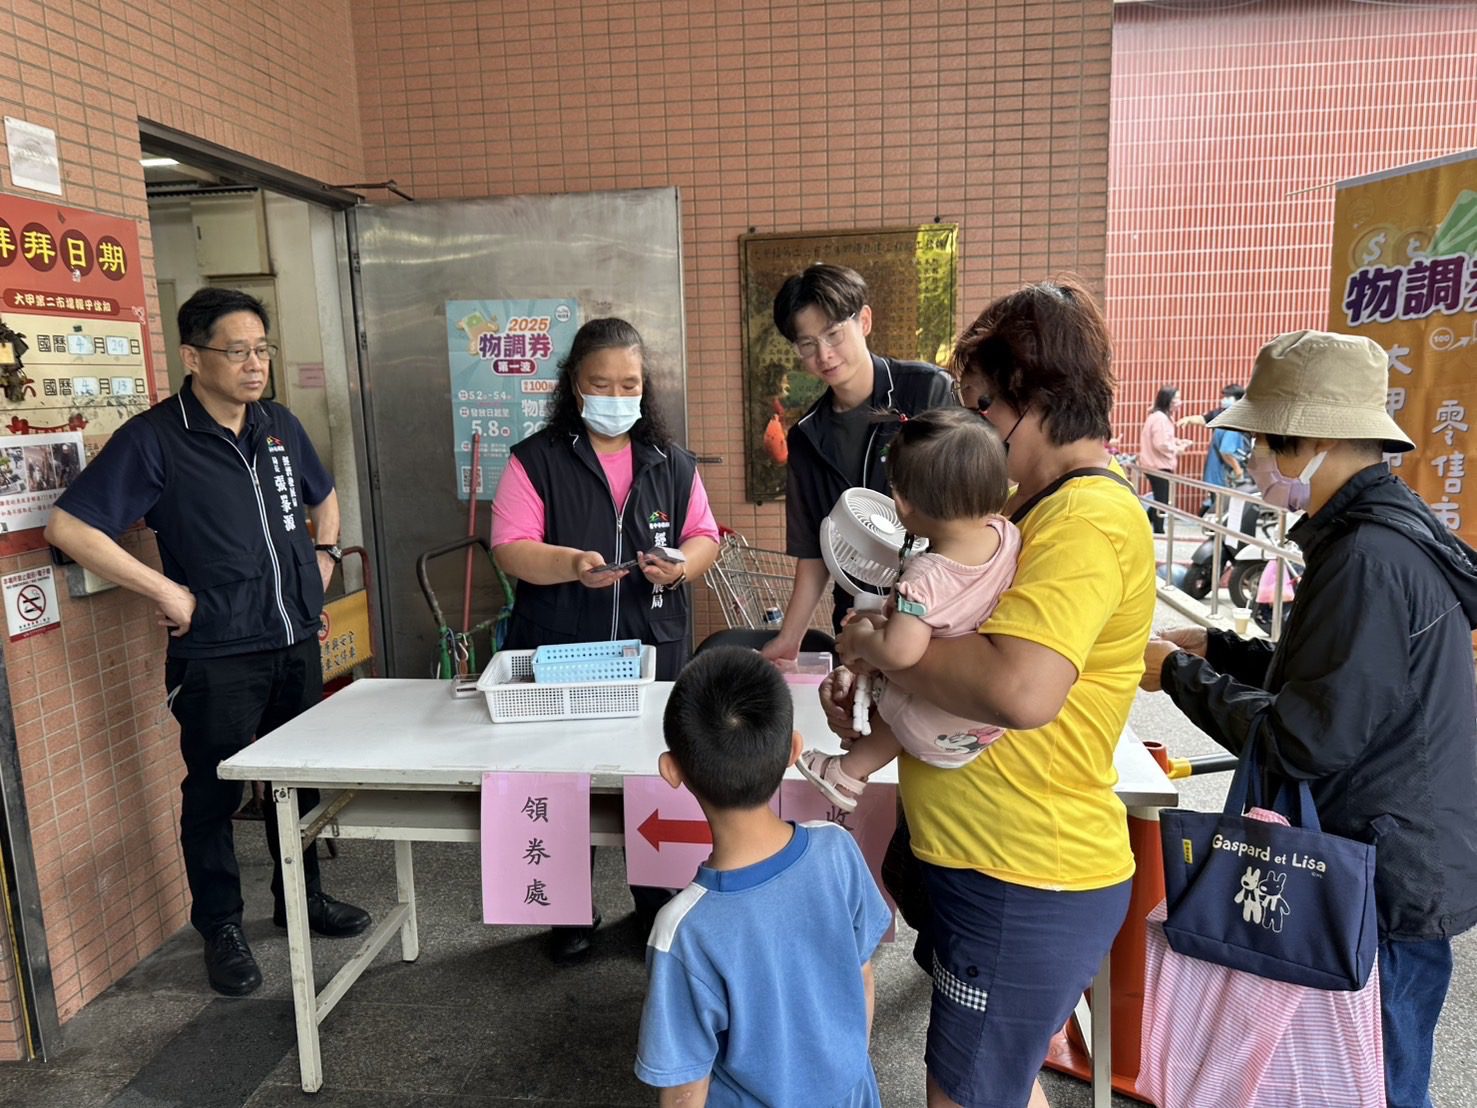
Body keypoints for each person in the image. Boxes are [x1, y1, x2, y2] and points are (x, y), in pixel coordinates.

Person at [821, 279, 1157, 1108]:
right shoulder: (1023, 518)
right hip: (995, 864)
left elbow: (1018, 686)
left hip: (1024, 870)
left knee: (965, 1095)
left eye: (980, 410)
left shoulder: (1081, 521)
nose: (975, 434)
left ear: (1030, 399)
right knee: (990, 1083)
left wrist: (880, 651)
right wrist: (877, 680)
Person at [1140, 329, 1477, 1108]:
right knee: (1364, 1072)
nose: (1254, 460)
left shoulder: (1364, 557)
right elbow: (1335, 681)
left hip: (1386, 873)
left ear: (1312, 439)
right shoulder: (1376, 534)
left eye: (1262, 442)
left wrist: (1177, 675)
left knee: (1380, 1083)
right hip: (1401, 852)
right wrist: (1220, 648)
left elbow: (1307, 735)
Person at [44, 287, 370, 998]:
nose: (255, 365)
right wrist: (164, 592)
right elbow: (70, 528)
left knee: (298, 781)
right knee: (214, 794)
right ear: (193, 356)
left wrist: (324, 553)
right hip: (218, 653)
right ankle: (220, 926)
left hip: (292, 642)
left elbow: (324, 493)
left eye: (262, 349)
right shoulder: (157, 438)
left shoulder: (278, 425)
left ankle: (300, 901)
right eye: (237, 351)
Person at [490, 316, 721, 963]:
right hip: (565, 649)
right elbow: (510, 548)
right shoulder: (535, 459)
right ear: (573, 385)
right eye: (601, 384)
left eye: (629, 384)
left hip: (654, 647)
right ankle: (568, 911)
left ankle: (657, 905)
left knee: (655, 778)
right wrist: (570, 565)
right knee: (562, 777)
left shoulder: (670, 462)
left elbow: (704, 536)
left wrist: (682, 567)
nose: (616, 398)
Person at [635, 647, 892, 1107]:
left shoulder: (683, 931)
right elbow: (863, 976)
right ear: (794, 750)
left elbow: (682, 1089)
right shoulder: (837, 849)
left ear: (671, 771)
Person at [796, 406, 1020, 811]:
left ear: (900, 502)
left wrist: (863, 639)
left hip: (935, 723)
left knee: (893, 679)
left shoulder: (923, 580)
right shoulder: (1007, 535)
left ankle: (848, 772)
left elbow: (902, 652)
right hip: (983, 721)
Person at [759, 264, 955, 661]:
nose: (824, 355)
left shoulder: (927, 390)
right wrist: (789, 637)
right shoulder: (807, 436)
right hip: (856, 619)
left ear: (863, 320)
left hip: (939, 613)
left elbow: (967, 507)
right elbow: (814, 552)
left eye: (834, 334)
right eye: (808, 344)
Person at [1185, 383, 1247, 513]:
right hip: (1223, 476)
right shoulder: (1232, 422)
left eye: (1227, 397)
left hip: (1215, 474)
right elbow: (1226, 451)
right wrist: (1238, 470)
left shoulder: (1227, 419)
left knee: (1217, 507)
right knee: (1222, 511)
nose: (1223, 399)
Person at [1138, 385, 1190, 533]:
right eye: (1177, 398)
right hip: (1158, 465)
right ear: (1168, 400)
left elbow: (1164, 438)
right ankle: (1158, 530)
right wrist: (1176, 449)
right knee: (1162, 500)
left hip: (1154, 464)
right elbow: (1161, 443)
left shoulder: (1160, 417)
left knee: (1160, 498)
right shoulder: (1160, 418)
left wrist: (1178, 442)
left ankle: (1148, 524)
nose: (1180, 402)